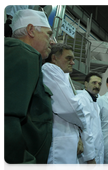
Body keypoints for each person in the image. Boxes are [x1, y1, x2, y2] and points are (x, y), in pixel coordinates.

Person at [0, 9, 54, 169]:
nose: (52, 42)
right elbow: (6, 122)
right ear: (31, 30)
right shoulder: (22, 53)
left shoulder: (23, 57)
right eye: (48, 34)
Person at [42, 43, 96, 170]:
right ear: (54, 58)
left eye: (73, 59)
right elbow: (71, 108)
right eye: (68, 58)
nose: (72, 62)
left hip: (68, 141)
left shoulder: (62, 75)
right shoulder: (50, 69)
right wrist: (83, 124)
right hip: (59, 142)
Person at [78, 72, 104, 170]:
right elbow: (85, 129)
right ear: (85, 84)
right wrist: (89, 157)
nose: (97, 86)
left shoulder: (95, 101)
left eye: (99, 84)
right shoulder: (82, 99)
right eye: (94, 83)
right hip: (87, 155)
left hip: (96, 149)